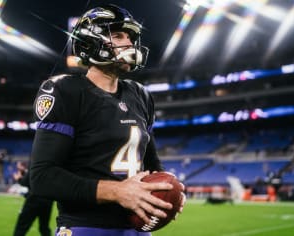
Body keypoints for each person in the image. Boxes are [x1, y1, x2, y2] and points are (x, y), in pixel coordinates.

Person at [30, 4, 185, 236]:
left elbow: (151, 164)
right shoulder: (66, 90)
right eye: (118, 35)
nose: (129, 44)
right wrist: (117, 191)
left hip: (137, 229)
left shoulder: (140, 94)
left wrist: (168, 189)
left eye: (131, 37)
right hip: (85, 227)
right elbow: (42, 177)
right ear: (89, 41)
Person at [13, 161, 53, 236]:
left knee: (21, 227)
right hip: (48, 201)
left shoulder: (36, 164)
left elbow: (25, 182)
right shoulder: (51, 167)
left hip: (34, 200)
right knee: (44, 228)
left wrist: (18, 179)